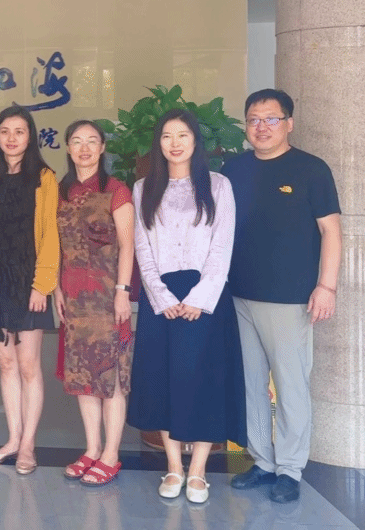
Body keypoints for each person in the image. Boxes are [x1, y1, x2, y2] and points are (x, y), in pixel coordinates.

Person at [224, 89, 341, 504]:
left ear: (289, 123)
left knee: (291, 385)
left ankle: (290, 468)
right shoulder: (233, 169)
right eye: (254, 119)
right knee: (251, 384)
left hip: (290, 299)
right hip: (238, 296)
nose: (262, 127)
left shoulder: (311, 169)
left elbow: (331, 231)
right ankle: (262, 461)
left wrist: (326, 286)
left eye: (271, 119)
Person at [127, 109, 246, 504]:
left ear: (196, 140)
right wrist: (161, 296)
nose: (174, 143)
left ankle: (198, 472)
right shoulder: (144, 188)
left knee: (202, 379)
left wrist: (200, 298)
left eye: (182, 135)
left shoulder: (218, 185)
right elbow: (142, 247)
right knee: (162, 379)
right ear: (158, 143)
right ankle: (174, 467)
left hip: (204, 298)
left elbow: (222, 245)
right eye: (167, 136)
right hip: (160, 296)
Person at [0, 104, 60, 475]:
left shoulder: (44, 178)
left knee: (28, 366)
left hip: (29, 285)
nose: (12, 138)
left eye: (19, 131)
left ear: (30, 137)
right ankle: (12, 439)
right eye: (5, 131)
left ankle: (28, 446)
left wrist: (43, 285)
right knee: (6, 363)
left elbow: (51, 234)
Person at [53, 120, 135, 486]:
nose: (84, 148)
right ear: (68, 148)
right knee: (83, 376)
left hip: (107, 297)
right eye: (77, 141)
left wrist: (122, 291)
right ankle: (92, 448)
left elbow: (128, 245)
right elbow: (56, 246)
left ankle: (111, 454)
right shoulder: (62, 192)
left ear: (102, 148)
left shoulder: (116, 191)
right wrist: (56, 289)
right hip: (73, 298)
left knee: (110, 375)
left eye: (91, 141)